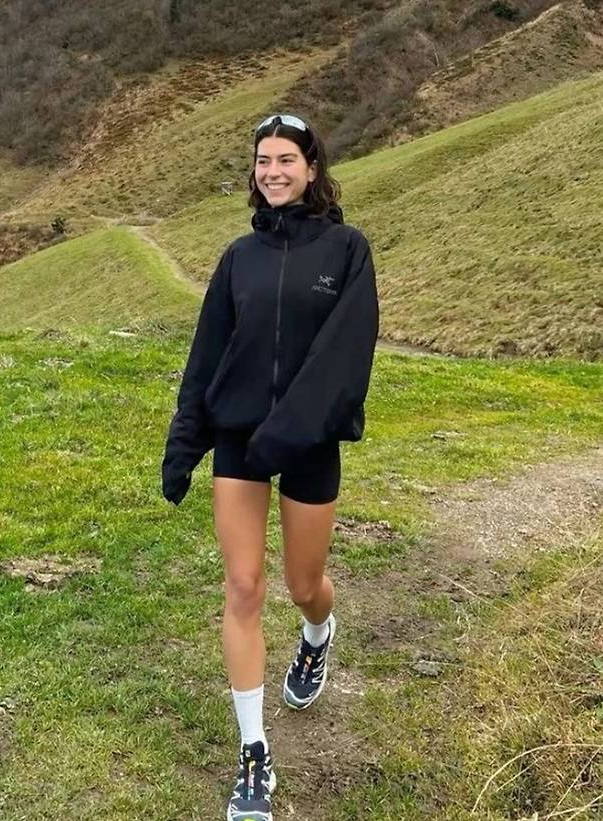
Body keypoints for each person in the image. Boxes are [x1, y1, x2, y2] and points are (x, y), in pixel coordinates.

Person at [161, 113, 379, 821]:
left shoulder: (347, 250)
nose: (274, 171)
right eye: (264, 160)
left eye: (287, 159)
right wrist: (184, 445)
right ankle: (253, 752)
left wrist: (288, 431)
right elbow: (207, 356)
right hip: (240, 440)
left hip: (307, 439)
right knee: (244, 586)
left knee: (303, 584)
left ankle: (318, 634)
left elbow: (346, 358)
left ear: (312, 168)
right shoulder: (238, 258)